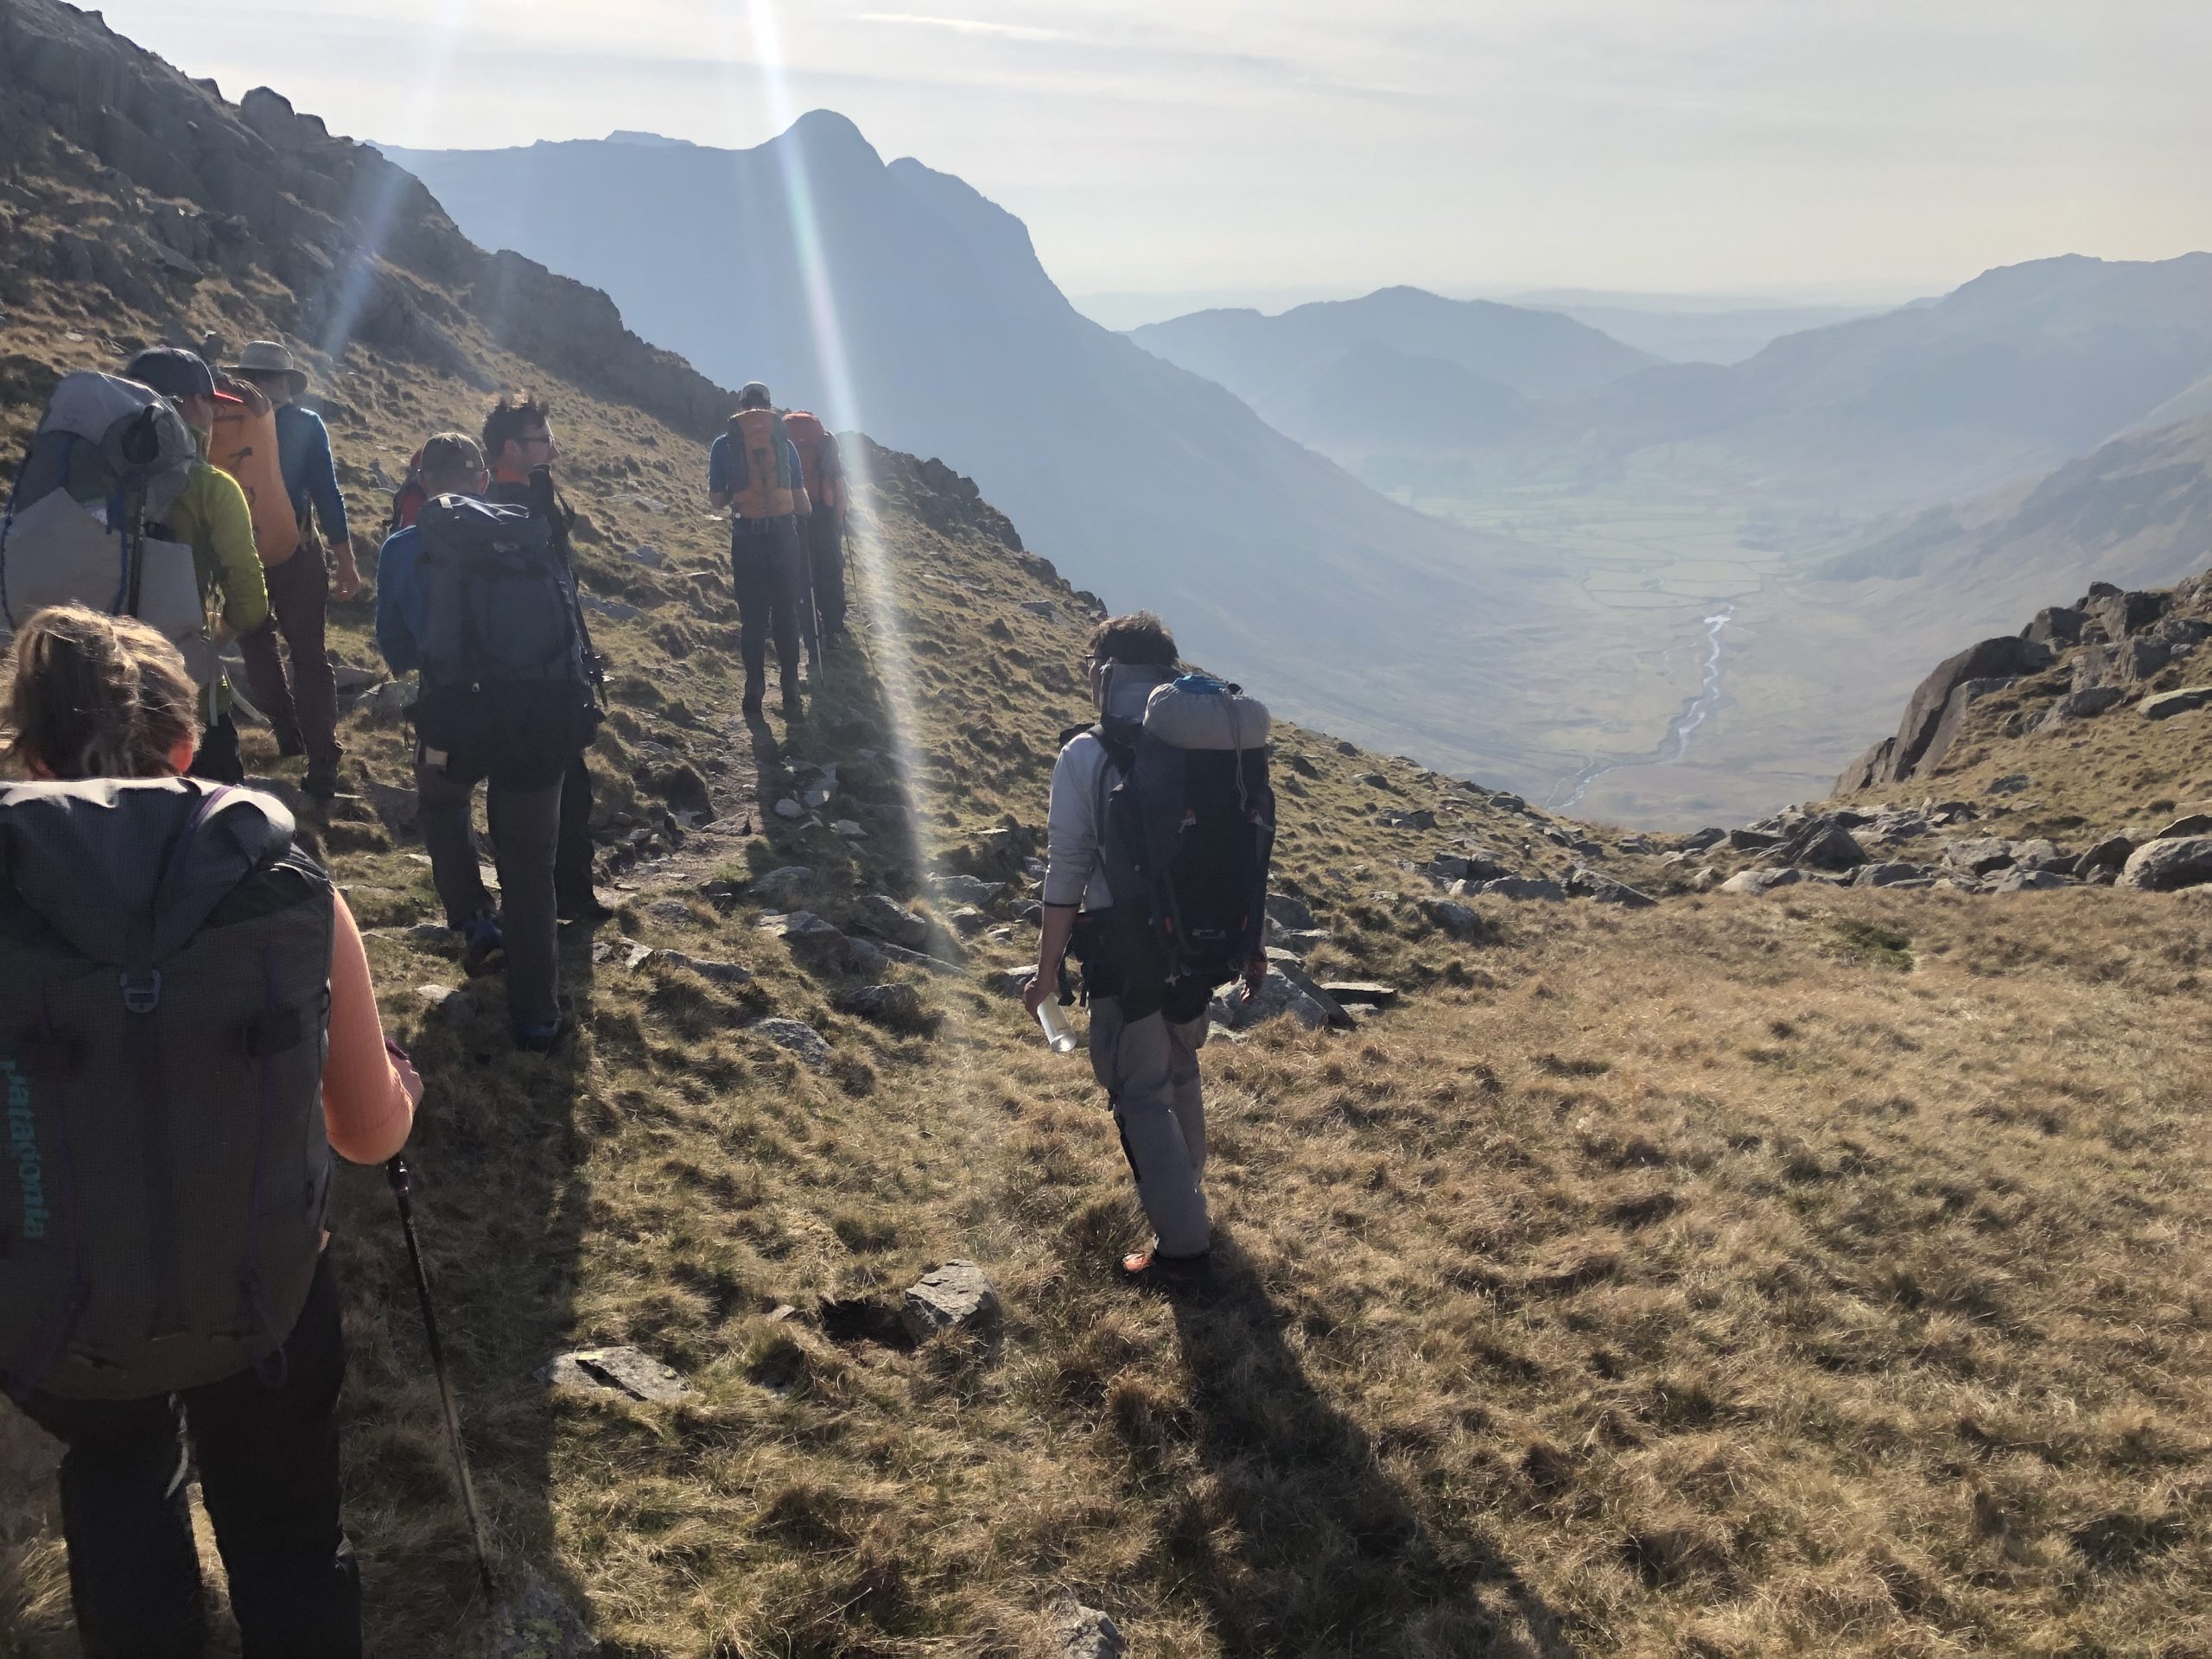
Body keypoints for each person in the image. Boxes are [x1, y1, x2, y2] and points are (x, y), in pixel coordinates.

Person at [0, 603, 421, 1658]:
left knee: (117, 1480)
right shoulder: (279, 878)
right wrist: (402, 1087)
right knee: (288, 1536)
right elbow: (369, 1137)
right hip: (264, 1298)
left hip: (58, 1317)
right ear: (186, 748)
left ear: (30, 756)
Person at [1026, 612, 1268, 1290]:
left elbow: (1068, 868)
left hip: (1126, 946)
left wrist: (1046, 971)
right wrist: (1253, 945)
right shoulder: (1210, 749)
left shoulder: (1089, 753)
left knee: (1138, 1093)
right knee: (1180, 1066)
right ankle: (1187, 1197)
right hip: (1202, 944)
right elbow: (1249, 851)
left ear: (1105, 671)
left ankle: (1183, 1250)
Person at [380, 427, 593, 1051]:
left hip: (455, 716)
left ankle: (475, 920)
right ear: (483, 478)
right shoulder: (532, 532)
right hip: (541, 715)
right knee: (530, 866)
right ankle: (538, 1019)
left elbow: (395, 647)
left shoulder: (403, 547)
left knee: (442, 802)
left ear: (422, 484)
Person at [480, 395, 609, 922]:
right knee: (562, 788)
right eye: (543, 441)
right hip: (543, 678)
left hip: (511, 677)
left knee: (523, 787)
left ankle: (538, 899)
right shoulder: (518, 508)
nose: (553, 451)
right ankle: (562, 900)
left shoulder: (496, 503)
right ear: (512, 448)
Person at [121, 347, 270, 785]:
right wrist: (218, 634)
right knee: (214, 812)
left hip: (93, 687)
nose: (215, 415)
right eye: (210, 403)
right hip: (183, 693)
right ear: (185, 403)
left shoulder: (93, 476)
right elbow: (251, 603)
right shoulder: (212, 488)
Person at [225, 340, 362, 800]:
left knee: (256, 642)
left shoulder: (226, 422)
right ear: (285, 381)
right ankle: (322, 758)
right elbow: (327, 493)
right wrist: (346, 560)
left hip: (240, 552)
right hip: (298, 552)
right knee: (309, 654)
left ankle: (286, 730)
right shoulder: (304, 423)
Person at [707, 382, 813, 721]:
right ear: (769, 406)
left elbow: (716, 500)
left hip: (746, 538)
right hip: (783, 538)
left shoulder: (724, 444)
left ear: (741, 406)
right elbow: (801, 502)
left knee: (752, 618)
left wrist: (738, 494)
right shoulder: (784, 444)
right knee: (785, 612)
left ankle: (754, 688)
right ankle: (790, 686)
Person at [782, 407, 849, 648]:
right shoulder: (826, 443)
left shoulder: (783, 440)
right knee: (829, 569)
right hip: (823, 512)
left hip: (791, 511)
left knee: (801, 570)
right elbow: (839, 486)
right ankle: (833, 628)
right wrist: (837, 520)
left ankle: (807, 628)